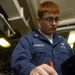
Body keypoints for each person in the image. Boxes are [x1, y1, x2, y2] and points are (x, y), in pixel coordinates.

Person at [11, 1, 74, 75]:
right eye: (49, 19)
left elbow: (72, 63)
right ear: (39, 20)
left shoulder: (63, 41)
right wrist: (31, 70)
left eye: (56, 19)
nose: (54, 23)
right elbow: (19, 60)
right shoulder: (28, 39)